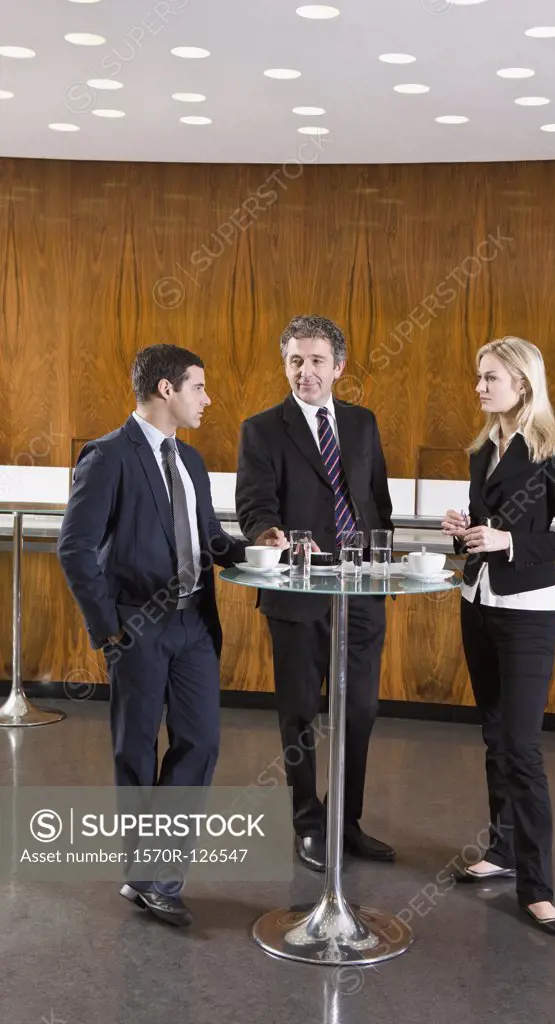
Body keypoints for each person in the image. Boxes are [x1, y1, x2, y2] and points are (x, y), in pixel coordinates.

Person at [57, 343, 285, 927]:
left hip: (194, 625)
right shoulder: (107, 457)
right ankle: (149, 876)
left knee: (201, 743)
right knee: (135, 751)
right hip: (136, 628)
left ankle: (155, 873)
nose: (207, 399)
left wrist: (258, 550)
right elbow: (75, 549)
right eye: (198, 388)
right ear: (166, 390)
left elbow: (210, 540)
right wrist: (108, 630)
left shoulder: (192, 461)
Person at [236, 315, 395, 872]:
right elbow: (254, 505)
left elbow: (378, 502)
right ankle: (308, 823)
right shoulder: (261, 429)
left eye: (316, 361)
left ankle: (345, 821)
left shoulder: (362, 424)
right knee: (300, 715)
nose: (305, 371)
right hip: (298, 596)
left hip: (362, 595)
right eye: (295, 361)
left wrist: (381, 563)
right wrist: (267, 535)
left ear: (339, 367)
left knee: (361, 711)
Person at [442, 336, 555, 938]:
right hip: (478, 603)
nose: (479, 386)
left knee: (523, 748)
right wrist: (464, 532)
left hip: (528, 611)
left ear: (522, 384)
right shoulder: (484, 450)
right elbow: (486, 531)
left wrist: (509, 542)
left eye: (490, 377)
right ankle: (501, 850)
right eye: (479, 376)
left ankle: (539, 887)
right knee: (495, 734)